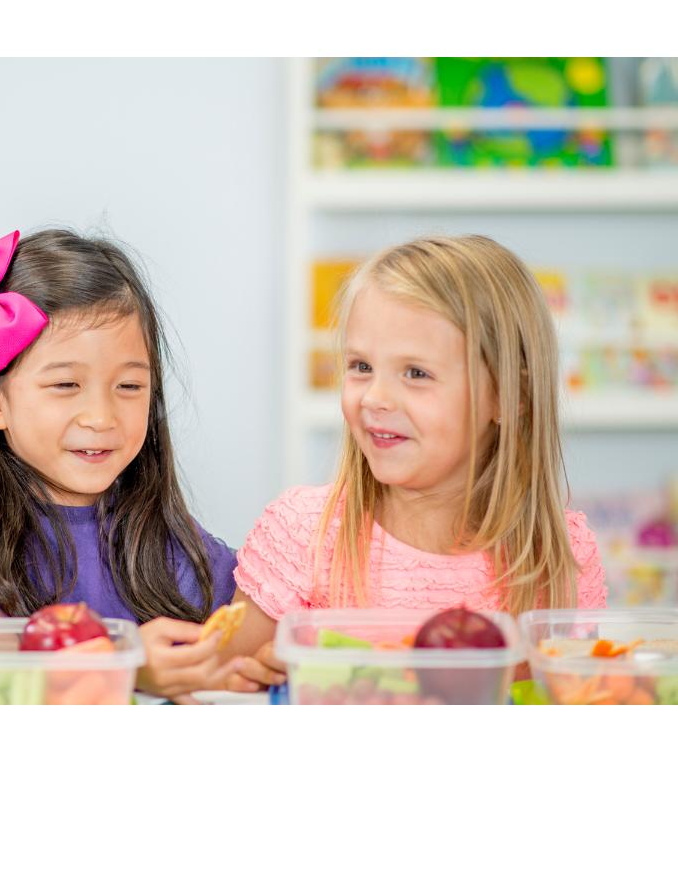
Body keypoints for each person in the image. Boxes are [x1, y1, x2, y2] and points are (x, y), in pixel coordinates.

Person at [219, 234, 607, 691]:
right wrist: (259, 678)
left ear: (509, 396)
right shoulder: (302, 532)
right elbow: (216, 687)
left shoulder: (558, 554)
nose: (375, 397)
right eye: (361, 366)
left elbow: (579, 701)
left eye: (416, 373)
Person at [0, 229, 241, 698]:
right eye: (66, 385)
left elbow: (247, 657)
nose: (102, 417)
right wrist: (126, 668)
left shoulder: (179, 552)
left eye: (129, 386)